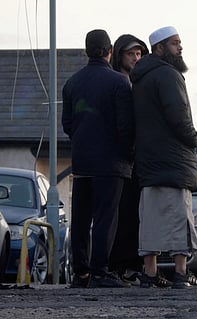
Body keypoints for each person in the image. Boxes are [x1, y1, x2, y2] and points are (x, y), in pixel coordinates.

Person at [62, 29, 134, 288]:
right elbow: (125, 125)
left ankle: (80, 273)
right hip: (111, 162)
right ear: (110, 51)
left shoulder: (72, 83)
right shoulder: (119, 83)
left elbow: (67, 124)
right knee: (106, 217)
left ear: (86, 51)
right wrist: (128, 154)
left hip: (82, 160)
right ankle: (100, 271)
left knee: (81, 219)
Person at [130, 26, 197, 289]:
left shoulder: (140, 77)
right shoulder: (169, 75)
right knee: (179, 216)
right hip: (173, 159)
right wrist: (192, 138)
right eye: (175, 43)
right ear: (159, 47)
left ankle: (150, 273)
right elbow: (178, 115)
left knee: (150, 218)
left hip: (149, 159)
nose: (180, 48)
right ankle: (181, 273)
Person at [108, 34, 151, 286]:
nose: (135, 58)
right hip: (118, 157)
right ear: (118, 56)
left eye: (138, 54)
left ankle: (132, 265)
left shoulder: (142, 83)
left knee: (136, 214)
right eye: (130, 54)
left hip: (139, 159)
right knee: (118, 214)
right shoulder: (115, 82)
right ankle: (118, 265)